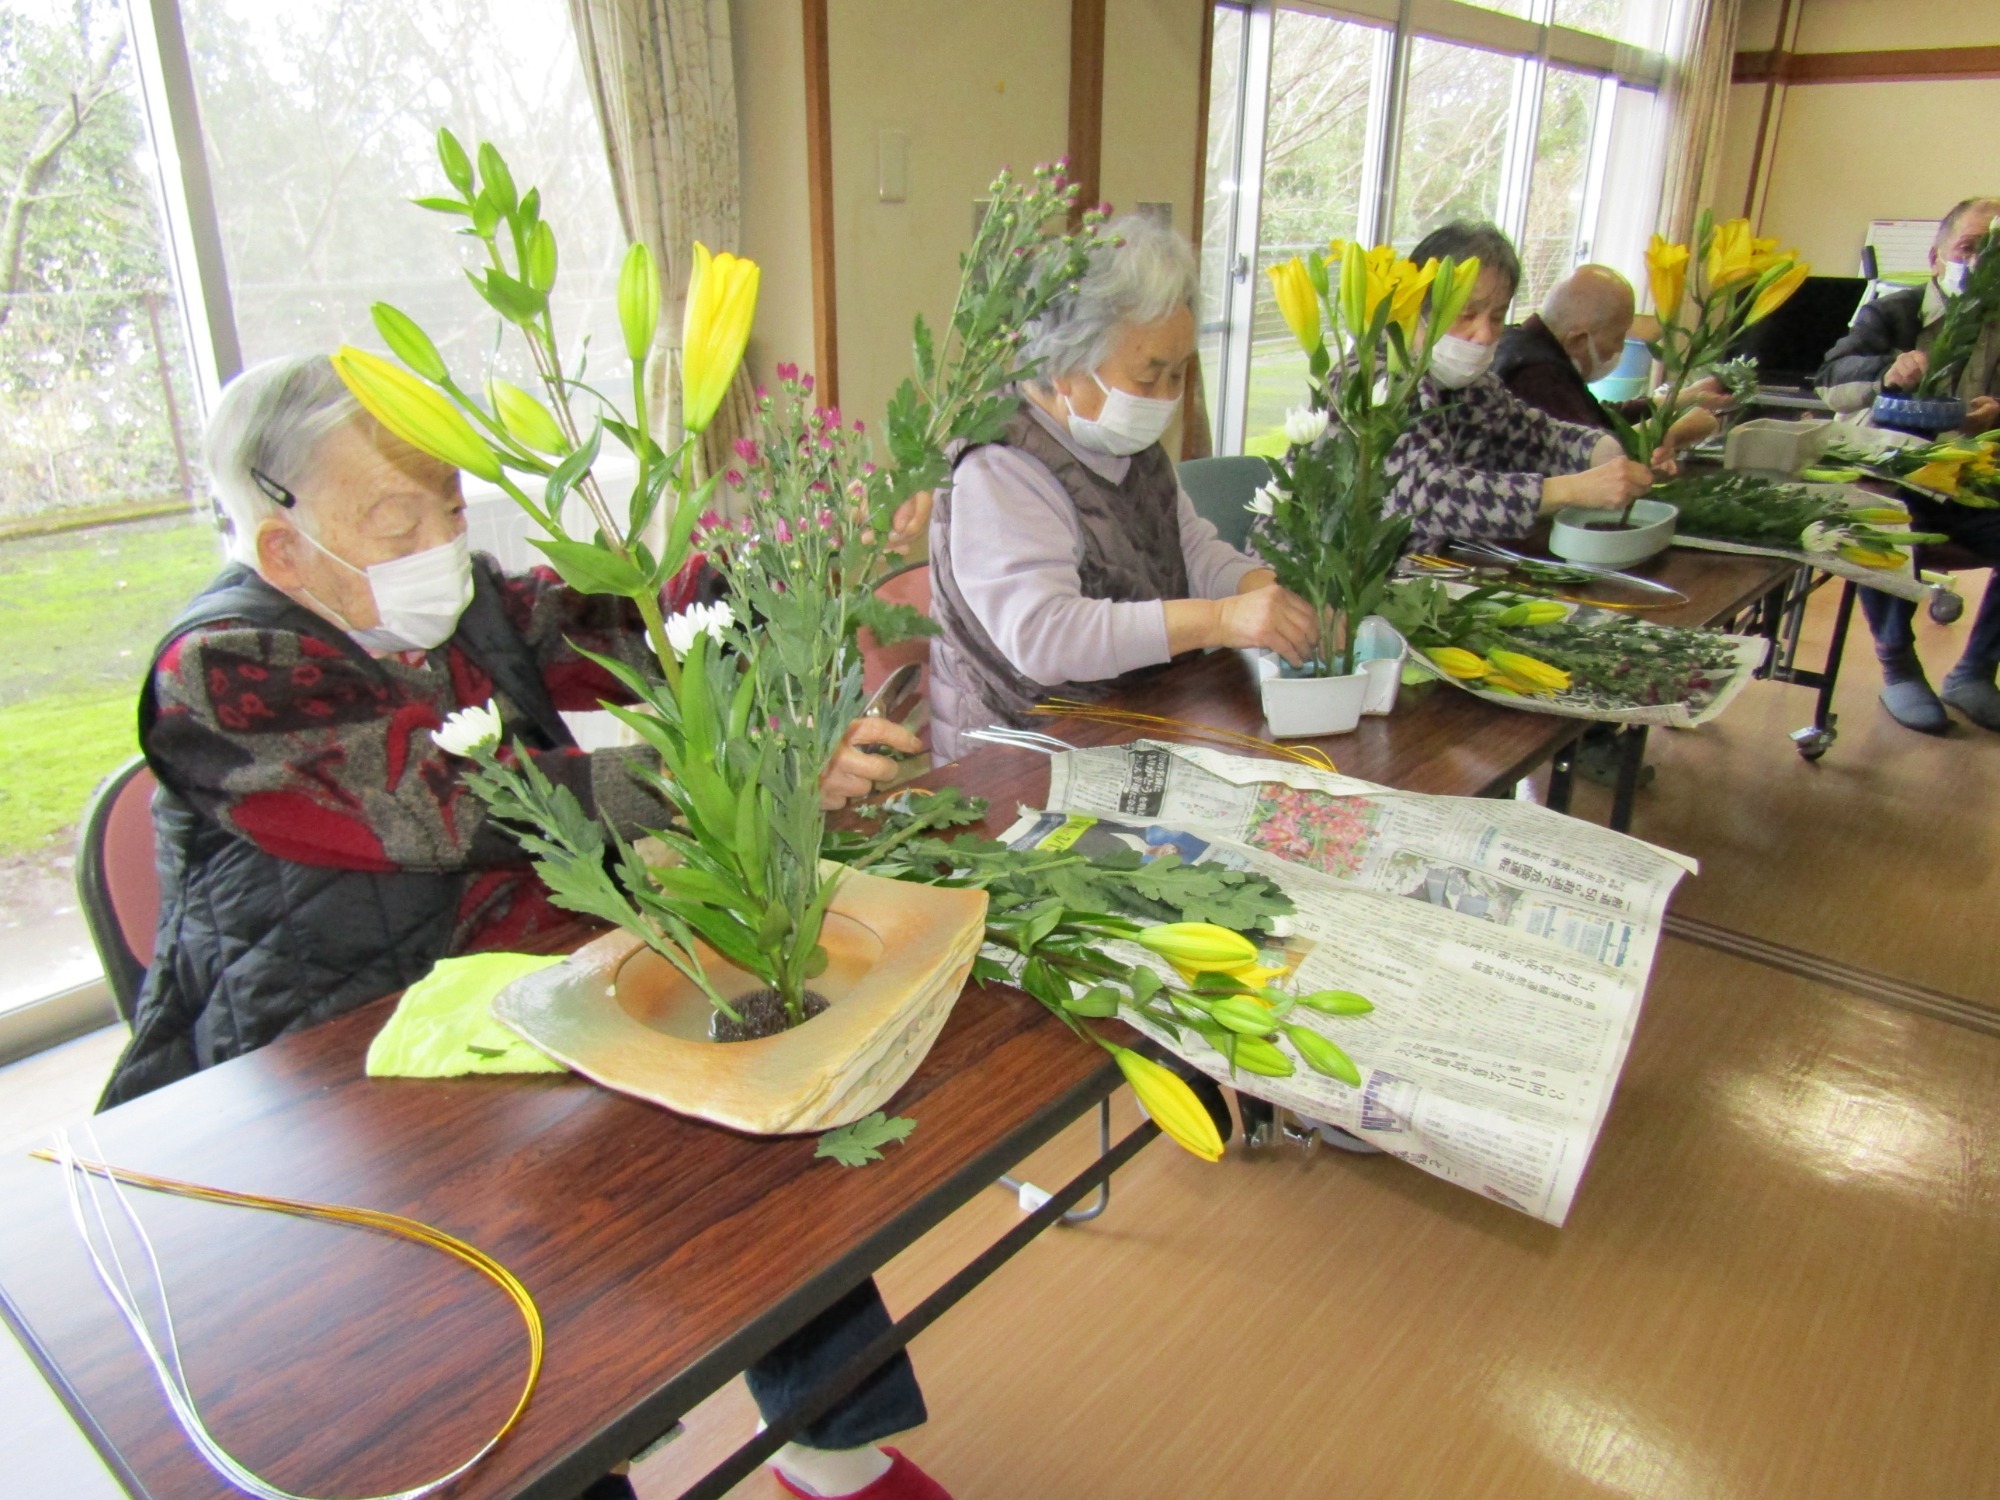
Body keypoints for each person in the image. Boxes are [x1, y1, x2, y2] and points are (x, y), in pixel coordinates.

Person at [106, 355, 949, 1500]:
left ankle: (833, 1439)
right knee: (509, 1343)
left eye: (451, 507)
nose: (439, 542)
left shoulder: (471, 603)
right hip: (340, 1064)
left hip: (534, 980)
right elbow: (455, 801)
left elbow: (650, 611)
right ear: (284, 549)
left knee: (758, 1109)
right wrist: (748, 765)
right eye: (398, 519)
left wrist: (810, 553)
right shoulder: (221, 673)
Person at [927, 214, 1319, 761]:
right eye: (1147, 377)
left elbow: (1191, 551)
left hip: (1125, 723)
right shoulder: (997, 466)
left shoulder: (1122, 441)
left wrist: (1261, 589)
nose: (1165, 398)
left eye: (1179, 375)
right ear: (1064, 365)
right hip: (1018, 754)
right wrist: (1222, 619)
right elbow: (1046, 636)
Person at [1815, 196, 2000, 733]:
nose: (1981, 263)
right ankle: (1898, 666)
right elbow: (1830, 382)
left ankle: (1974, 672)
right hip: (1894, 473)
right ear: (1936, 256)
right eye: (1970, 248)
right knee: (1884, 518)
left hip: (1970, 476)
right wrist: (1886, 371)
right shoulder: (1894, 311)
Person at [1381, 222, 1655, 550]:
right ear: (1418, 307)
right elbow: (1428, 494)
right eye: (1466, 315)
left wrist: (1600, 451)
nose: (1484, 334)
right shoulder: (1373, 382)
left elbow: (1534, 436)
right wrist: (1571, 490)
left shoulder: (1471, 384)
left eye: (1496, 318)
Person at [1494, 262, 1722, 457]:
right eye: (1617, 337)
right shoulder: (1536, 376)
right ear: (1579, 341)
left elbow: (1600, 416)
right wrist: (1672, 432)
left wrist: (1684, 398)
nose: (1620, 348)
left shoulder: (1521, 341)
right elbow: (1590, 455)